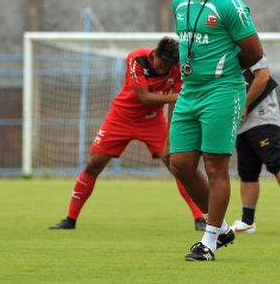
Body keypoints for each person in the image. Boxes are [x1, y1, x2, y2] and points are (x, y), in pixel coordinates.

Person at [49, 37, 206, 231]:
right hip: (120, 118)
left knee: (178, 166)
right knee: (93, 164)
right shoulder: (136, 58)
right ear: (155, 54)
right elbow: (144, 97)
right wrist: (182, 95)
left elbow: (174, 104)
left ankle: (200, 218)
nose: (163, 70)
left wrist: (170, 139)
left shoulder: (178, 67)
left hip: (153, 121)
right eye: (161, 65)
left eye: (168, 66)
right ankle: (70, 219)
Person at [169, 0, 264, 261]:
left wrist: (223, 71)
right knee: (179, 164)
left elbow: (254, 52)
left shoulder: (229, 5)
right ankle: (221, 227)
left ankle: (209, 243)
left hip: (222, 90)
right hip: (189, 89)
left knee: (215, 165)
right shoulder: (180, 2)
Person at [229, 56, 280, 236]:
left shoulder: (249, 49)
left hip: (262, 118)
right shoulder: (222, 54)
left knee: (275, 162)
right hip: (242, 124)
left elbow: (263, 77)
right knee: (247, 172)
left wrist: (245, 104)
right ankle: (247, 221)